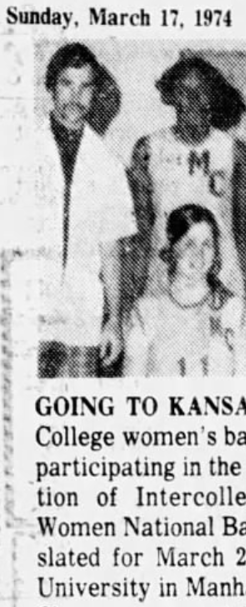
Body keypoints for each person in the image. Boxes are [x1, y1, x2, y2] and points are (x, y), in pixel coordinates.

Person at [35, 43, 135, 378]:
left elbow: (111, 251)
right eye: (67, 84)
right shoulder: (19, 151)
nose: (75, 97)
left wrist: (115, 322)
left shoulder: (108, 164)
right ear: (51, 87)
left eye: (85, 87)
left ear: (94, 94)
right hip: (26, 312)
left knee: (76, 417)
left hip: (82, 318)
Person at [129, 55, 246, 303]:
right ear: (172, 96)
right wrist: (135, 288)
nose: (193, 101)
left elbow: (245, 231)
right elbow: (141, 230)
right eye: (184, 92)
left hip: (220, 274)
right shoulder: (148, 149)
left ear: (213, 97)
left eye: (202, 92)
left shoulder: (233, 151)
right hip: (166, 275)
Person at [124, 204, 246, 377]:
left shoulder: (234, 310)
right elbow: (131, 388)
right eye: (189, 244)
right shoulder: (146, 312)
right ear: (172, 247)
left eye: (207, 245)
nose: (199, 255)